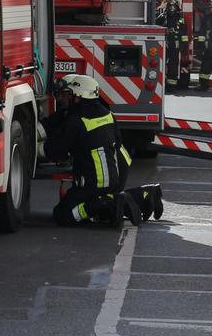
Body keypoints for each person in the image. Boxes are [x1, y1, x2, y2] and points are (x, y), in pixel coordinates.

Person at [42, 75, 162, 226]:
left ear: (78, 97)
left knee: (64, 214)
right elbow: (117, 142)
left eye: (68, 95)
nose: (63, 99)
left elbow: (53, 149)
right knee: (109, 203)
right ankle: (145, 194)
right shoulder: (107, 114)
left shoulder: (77, 120)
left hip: (96, 180)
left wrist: (40, 149)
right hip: (117, 170)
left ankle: (104, 203)